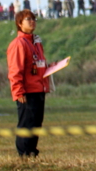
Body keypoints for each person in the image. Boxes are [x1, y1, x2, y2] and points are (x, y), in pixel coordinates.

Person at [7, 10, 65, 157]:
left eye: (34, 19)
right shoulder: (18, 44)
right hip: (27, 90)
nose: (33, 21)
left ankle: (32, 151)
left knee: (36, 123)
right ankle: (24, 153)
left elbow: (37, 65)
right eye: (28, 19)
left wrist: (50, 67)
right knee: (26, 123)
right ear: (20, 24)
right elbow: (15, 70)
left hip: (39, 88)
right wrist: (18, 91)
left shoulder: (36, 42)